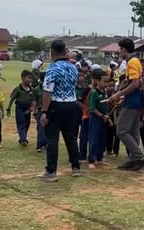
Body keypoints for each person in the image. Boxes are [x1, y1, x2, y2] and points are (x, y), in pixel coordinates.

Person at [38, 39, 81, 181]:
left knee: (52, 139)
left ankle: (51, 172)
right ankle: (76, 167)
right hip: (72, 104)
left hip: (56, 105)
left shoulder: (53, 68)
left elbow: (47, 91)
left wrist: (44, 111)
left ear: (52, 52)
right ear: (64, 51)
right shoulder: (73, 67)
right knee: (71, 138)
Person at [108, 38, 144, 171]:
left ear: (124, 49)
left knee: (121, 130)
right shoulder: (135, 61)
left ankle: (139, 156)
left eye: (120, 49)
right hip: (135, 100)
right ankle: (134, 159)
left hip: (133, 101)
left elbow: (135, 84)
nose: (119, 51)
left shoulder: (132, 62)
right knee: (133, 131)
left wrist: (118, 94)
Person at [88, 72, 110, 170]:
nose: (106, 84)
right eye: (104, 82)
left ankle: (99, 158)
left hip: (104, 119)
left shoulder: (104, 93)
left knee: (102, 138)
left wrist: (107, 117)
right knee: (94, 138)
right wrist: (102, 115)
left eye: (107, 82)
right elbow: (92, 108)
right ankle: (91, 160)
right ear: (97, 81)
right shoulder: (94, 93)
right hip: (96, 119)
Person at [6, 70, 35, 145]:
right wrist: (8, 109)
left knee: (27, 124)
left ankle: (22, 137)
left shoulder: (31, 89)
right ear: (22, 78)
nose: (30, 80)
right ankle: (23, 140)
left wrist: (31, 108)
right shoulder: (18, 89)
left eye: (31, 78)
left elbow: (33, 100)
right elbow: (12, 99)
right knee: (21, 123)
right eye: (28, 78)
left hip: (28, 108)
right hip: (20, 107)